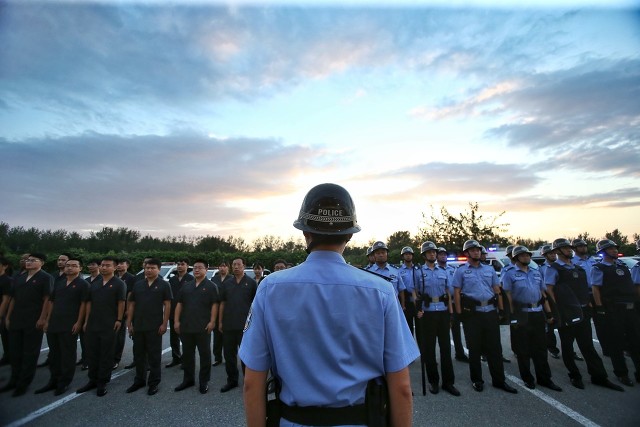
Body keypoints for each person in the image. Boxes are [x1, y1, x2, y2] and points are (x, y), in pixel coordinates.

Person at [239, 183, 419, 427]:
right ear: (350, 234)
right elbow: (401, 388)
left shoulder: (271, 288)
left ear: (305, 232)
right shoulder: (381, 291)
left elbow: (252, 382)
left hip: (293, 420)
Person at [545, 238, 623, 391]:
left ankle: (599, 376)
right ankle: (575, 375)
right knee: (567, 346)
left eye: (569, 247)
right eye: (565, 248)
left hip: (582, 311)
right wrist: (556, 310)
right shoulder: (553, 268)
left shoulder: (577, 266)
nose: (569, 250)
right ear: (557, 251)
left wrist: (588, 302)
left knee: (587, 345)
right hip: (566, 312)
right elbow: (549, 290)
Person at [452, 240, 517, 394]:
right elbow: (456, 293)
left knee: (494, 348)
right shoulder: (460, 271)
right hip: (472, 315)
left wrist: (501, 310)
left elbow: (497, 290)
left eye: (478, 250)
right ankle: (477, 380)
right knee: (474, 349)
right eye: (473, 250)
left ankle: (499, 380)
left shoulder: (489, 269)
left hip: (489, 312)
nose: (476, 252)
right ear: (467, 253)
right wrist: (459, 313)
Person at [502, 246, 561, 391]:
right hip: (522, 313)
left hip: (537, 312)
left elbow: (543, 293)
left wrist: (548, 314)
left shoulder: (535, 272)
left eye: (527, 255)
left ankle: (545, 378)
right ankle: (527, 378)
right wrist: (511, 315)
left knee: (540, 348)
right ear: (516, 258)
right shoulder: (509, 274)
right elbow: (507, 295)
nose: (526, 258)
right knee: (523, 350)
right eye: (522, 256)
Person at [0, 253, 52, 397]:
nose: (28, 262)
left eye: (33, 260)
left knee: (29, 353)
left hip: (33, 320)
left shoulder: (45, 278)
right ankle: (13, 380)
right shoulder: (19, 277)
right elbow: (13, 299)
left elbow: (47, 300)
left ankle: (23, 383)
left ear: (41, 262)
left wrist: (43, 318)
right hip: (17, 319)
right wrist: (8, 317)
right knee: (15, 352)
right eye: (27, 260)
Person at [36, 257, 89, 396]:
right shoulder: (59, 283)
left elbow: (84, 305)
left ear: (80, 268)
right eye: (67, 266)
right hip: (54, 322)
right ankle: (53, 380)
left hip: (69, 324)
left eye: (73, 266)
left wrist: (79, 322)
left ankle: (64, 382)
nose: (69, 268)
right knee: (54, 354)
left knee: (67, 354)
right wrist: (47, 320)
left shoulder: (83, 284)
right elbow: (51, 302)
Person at [591, 239, 640, 387]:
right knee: (616, 343)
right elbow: (596, 288)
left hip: (630, 309)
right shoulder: (599, 268)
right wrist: (599, 307)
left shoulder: (623, 266)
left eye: (614, 248)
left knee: (636, 342)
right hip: (614, 310)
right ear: (603, 252)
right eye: (610, 249)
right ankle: (622, 374)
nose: (614, 251)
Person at [77, 256, 126, 397]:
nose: (104, 267)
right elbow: (89, 303)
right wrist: (86, 321)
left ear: (115, 267)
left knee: (106, 353)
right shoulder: (95, 283)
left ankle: (102, 382)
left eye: (108, 265)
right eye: (102, 265)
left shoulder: (118, 283)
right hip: (93, 323)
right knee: (92, 353)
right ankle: (92, 379)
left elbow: (121, 302)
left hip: (109, 323)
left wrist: (119, 319)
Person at [416, 241, 460, 396]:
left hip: (442, 311)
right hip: (427, 313)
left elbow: (448, 293)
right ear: (424, 255)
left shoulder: (443, 271)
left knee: (446, 349)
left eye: (434, 252)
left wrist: (451, 312)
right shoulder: (419, 272)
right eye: (429, 253)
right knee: (429, 349)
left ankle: (448, 382)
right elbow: (415, 292)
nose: (432, 254)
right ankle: (433, 381)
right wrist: (418, 309)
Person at [126, 258, 172, 396]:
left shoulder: (164, 285)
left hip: (155, 326)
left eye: (152, 268)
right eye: (147, 268)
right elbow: (132, 304)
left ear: (158, 269)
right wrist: (129, 322)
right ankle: (139, 380)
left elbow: (167, 305)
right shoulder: (138, 284)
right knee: (139, 355)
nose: (149, 270)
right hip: (139, 325)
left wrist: (164, 324)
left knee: (154, 356)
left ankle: (154, 383)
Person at [173, 259, 219, 394]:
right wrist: (176, 321)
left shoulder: (211, 286)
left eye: (200, 268)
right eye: (195, 268)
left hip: (203, 327)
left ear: (206, 269)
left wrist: (212, 322)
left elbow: (215, 305)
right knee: (187, 355)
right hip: (186, 326)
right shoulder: (187, 286)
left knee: (204, 355)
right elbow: (179, 304)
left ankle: (204, 381)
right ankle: (188, 379)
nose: (197, 270)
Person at [218, 257, 257, 393]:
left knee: (246, 355)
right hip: (228, 324)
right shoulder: (227, 283)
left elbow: (255, 305)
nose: (235, 267)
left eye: (238, 264)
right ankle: (232, 380)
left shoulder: (251, 283)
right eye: (233, 265)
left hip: (245, 326)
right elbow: (222, 303)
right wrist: (220, 321)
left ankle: (248, 381)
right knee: (229, 355)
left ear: (244, 266)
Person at [437, 247, 468, 363]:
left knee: (456, 330)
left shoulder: (453, 269)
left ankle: (460, 353)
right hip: (441, 303)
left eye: (444, 254)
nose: (443, 256)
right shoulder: (435, 269)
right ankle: (444, 357)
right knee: (443, 332)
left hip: (454, 302)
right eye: (440, 254)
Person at [167, 258, 192, 368]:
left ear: (187, 266)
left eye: (182, 264)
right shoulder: (172, 280)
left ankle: (186, 360)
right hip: (173, 312)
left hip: (185, 314)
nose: (180, 266)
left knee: (185, 339)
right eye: (178, 264)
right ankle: (176, 358)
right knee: (174, 338)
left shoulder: (191, 279)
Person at [368, 241, 406, 310]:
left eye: (383, 252)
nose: (381, 255)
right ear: (374, 255)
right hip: (375, 308)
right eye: (378, 253)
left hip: (393, 307)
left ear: (387, 254)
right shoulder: (368, 271)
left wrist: (402, 306)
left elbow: (401, 290)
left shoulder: (395, 270)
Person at [114, 258, 136, 370]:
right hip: (111, 310)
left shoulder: (131, 278)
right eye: (117, 264)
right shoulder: (114, 277)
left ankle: (116, 359)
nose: (119, 266)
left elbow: (130, 295)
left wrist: (127, 309)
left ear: (127, 265)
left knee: (119, 335)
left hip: (123, 310)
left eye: (122, 263)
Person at [538, 245, 560, 359]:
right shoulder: (541, 268)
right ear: (545, 255)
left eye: (554, 253)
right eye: (550, 254)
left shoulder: (559, 266)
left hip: (561, 299)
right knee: (550, 326)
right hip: (548, 300)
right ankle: (552, 348)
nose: (553, 255)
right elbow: (542, 287)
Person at [211, 260, 230, 367]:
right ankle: (217, 357)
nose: (222, 268)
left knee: (227, 337)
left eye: (224, 266)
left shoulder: (231, 279)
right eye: (220, 266)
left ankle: (228, 357)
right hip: (216, 310)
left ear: (228, 268)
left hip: (228, 311)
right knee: (217, 336)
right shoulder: (214, 279)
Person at [398, 246, 418, 336]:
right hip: (406, 301)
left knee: (420, 329)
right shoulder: (399, 271)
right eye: (406, 254)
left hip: (417, 300)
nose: (408, 256)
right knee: (408, 330)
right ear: (403, 256)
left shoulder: (418, 269)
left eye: (410, 254)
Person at [0, 257, 13, 366]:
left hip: (4, 314)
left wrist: (1, 315)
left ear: (5, 266)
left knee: (6, 337)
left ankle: (9, 356)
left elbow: (6, 299)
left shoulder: (7, 280)